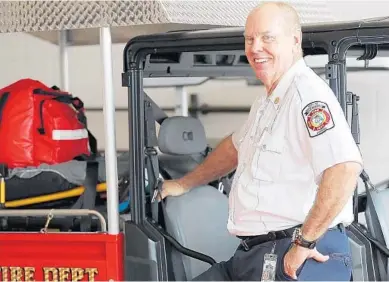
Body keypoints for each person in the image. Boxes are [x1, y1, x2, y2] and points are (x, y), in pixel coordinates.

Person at [157, 1, 363, 281]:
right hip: (255, 254)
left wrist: (304, 243)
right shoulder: (270, 101)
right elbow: (234, 148)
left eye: (267, 37)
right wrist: (184, 183)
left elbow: (344, 168)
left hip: (300, 254)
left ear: (294, 40)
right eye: (250, 39)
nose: (255, 48)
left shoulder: (306, 96)